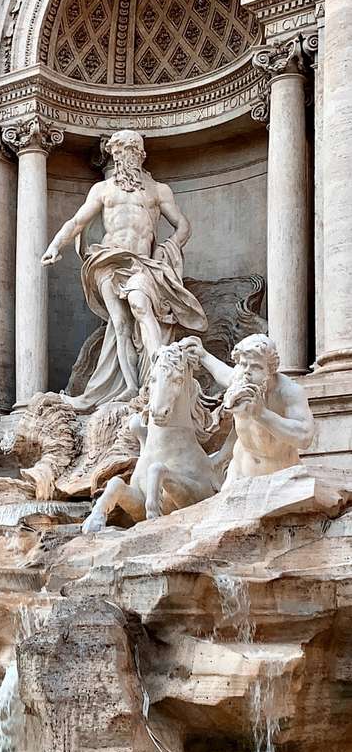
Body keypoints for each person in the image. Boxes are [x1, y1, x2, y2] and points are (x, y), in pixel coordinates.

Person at [41, 129, 207, 410]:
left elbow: (183, 226)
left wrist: (167, 249)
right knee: (119, 324)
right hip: (107, 260)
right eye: (118, 153)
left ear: (141, 154)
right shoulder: (102, 190)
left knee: (140, 304)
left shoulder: (158, 190)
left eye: (129, 151)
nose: (122, 158)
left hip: (141, 263)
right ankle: (131, 386)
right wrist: (55, 246)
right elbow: (77, 222)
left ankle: (160, 370)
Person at [180, 332, 314, 485]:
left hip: (280, 476)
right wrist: (203, 355)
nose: (246, 372)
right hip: (239, 473)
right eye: (243, 364)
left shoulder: (289, 392)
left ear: (270, 370)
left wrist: (261, 414)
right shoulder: (240, 378)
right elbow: (223, 373)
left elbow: (304, 437)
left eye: (256, 367)